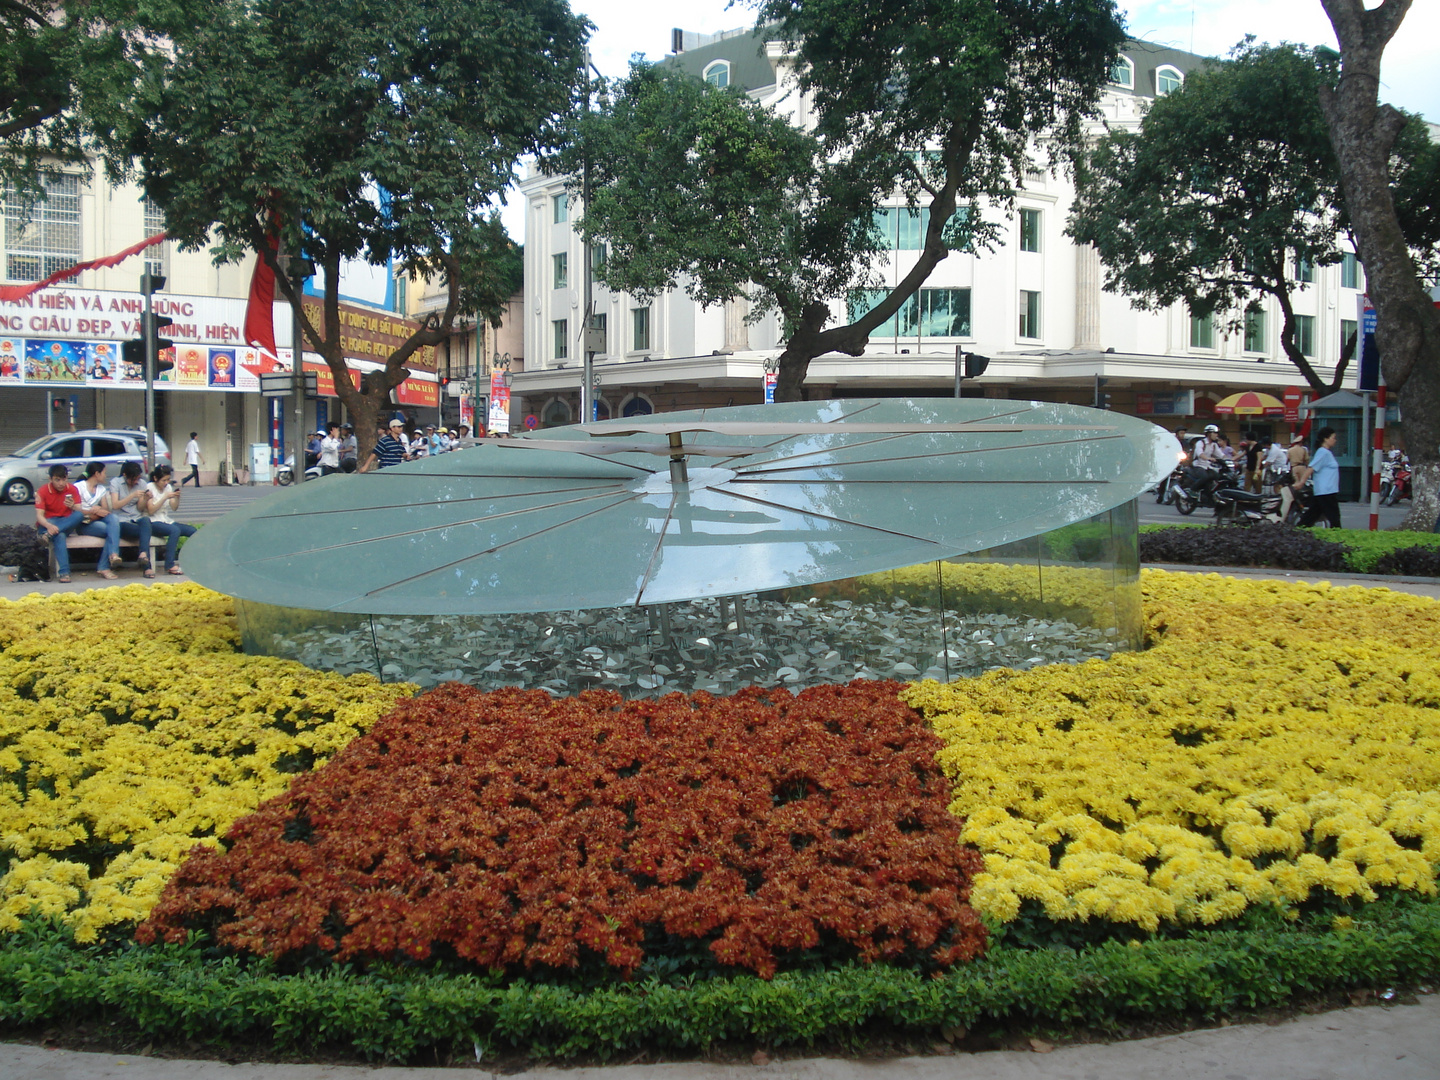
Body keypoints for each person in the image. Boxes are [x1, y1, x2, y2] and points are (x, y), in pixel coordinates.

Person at [32, 465, 84, 583]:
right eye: (57, 480)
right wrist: (49, 526)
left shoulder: (72, 489)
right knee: (59, 535)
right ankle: (64, 573)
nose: (61, 483)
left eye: (64, 479)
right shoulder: (43, 491)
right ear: (50, 479)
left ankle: (48, 535)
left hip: (65, 522)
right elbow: (39, 516)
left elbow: (79, 509)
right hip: (47, 524)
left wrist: (72, 506)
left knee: (79, 515)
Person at [73, 461, 124, 578]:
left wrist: (99, 509)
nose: (105, 476)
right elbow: (75, 510)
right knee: (112, 531)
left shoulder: (101, 489)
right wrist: (92, 511)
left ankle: (113, 556)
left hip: (97, 519)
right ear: (97, 473)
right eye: (104, 473)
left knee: (113, 518)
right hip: (84, 524)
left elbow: (106, 511)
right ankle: (105, 565)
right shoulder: (78, 487)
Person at [146, 463, 198, 574]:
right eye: (163, 480)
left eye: (168, 480)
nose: (166, 483)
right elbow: (151, 510)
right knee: (174, 531)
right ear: (155, 478)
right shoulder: (149, 487)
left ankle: (192, 560)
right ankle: (169, 565)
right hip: (153, 521)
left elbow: (174, 507)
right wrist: (165, 497)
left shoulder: (168, 487)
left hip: (166, 520)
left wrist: (177, 497)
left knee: (192, 531)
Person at [109, 461, 155, 578]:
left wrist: (145, 498)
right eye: (133, 479)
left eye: (138, 479)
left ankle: (143, 555)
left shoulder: (142, 483)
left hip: (136, 517)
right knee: (144, 532)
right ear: (125, 475)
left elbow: (140, 508)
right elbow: (115, 505)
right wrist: (132, 496)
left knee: (146, 521)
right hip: (121, 520)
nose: (136, 482)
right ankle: (147, 568)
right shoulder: (115, 483)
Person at [1295, 427, 1341, 528]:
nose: (1335, 440)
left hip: (1324, 491)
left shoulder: (1326, 453)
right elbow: (1310, 468)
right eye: (1333, 438)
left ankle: (1297, 530)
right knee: (1334, 518)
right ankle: (1337, 538)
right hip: (1326, 491)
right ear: (1326, 439)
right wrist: (1302, 482)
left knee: (1311, 515)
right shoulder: (1323, 452)